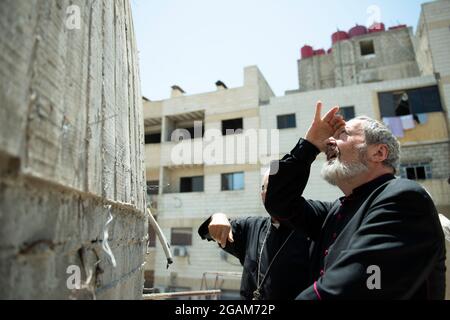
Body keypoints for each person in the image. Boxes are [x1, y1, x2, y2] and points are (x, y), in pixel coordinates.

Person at [264, 101, 446, 300]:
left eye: (343, 134)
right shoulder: (336, 211)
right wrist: (309, 145)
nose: (329, 142)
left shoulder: (404, 198)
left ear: (378, 153)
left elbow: (352, 287)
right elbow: (278, 202)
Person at [198, 172, 311, 300]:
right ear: (262, 195)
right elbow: (209, 232)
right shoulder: (251, 227)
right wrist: (218, 216)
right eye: (265, 188)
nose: (273, 194)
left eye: (280, 187)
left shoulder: (311, 232)